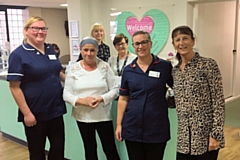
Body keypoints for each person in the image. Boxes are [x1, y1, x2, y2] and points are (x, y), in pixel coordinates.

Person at [7, 16, 66, 160]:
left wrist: (73, 82)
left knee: (58, 150)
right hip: (35, 113)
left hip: (55, 110)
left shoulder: (50, 48)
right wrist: (27, 113)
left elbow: (56, 72)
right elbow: (14, 87)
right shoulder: (18, 55)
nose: (40, 32)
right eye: (35, 28)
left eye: (43, 28)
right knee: (37, 153)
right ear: (26, 31)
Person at [115, 30, 173, 160]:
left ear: (150, 43)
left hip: (156, 128)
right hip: (132, 127)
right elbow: (123, 98)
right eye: (137, 44)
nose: (140, 46)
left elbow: (178, 89)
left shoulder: (164, 67)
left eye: (144, 42)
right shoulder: (129, 70)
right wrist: (119, 125)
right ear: (133, 46)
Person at [171, 25, 225, 160]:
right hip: (184, 138)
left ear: (193, 41)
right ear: (173, 44)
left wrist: (216, 134)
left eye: (185, 38)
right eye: (177, 40)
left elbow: (218, 101)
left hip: (205, 135)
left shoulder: (208, 65)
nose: (181, 43)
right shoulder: (175, 71)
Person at [63, 37, 120, 160]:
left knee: (109, 148)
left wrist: (101, 98)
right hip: (83, 117)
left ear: (97, 50)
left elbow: (115, 89)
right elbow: (66, 94)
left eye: (92, 50)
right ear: (81, 50)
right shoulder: (74, 69)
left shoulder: (104, 67)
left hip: (103, 115)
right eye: (85, 50)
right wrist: (82, 101)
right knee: (89, 148)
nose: (89, 53)